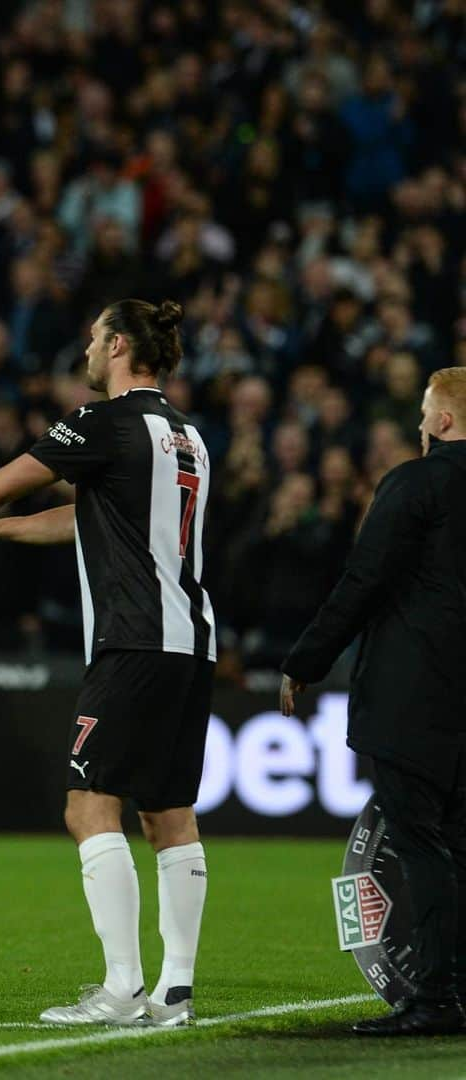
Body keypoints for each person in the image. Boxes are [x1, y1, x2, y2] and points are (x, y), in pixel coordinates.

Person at [0, 298, 216, 1027]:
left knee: (87, 803)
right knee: (169, 812)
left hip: (131, 641)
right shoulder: (187, 436)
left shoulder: (101, 421)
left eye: (92, 336)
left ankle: (120, 988)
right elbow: (84, 519)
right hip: (190, 641)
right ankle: (174, 992)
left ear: (115, 347)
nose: (84, 346)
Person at [281, 367, 466, 1037]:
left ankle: (436, 996)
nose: (420, 425)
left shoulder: (416, 482)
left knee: (420, 841)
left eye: (424, 413)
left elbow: (364, 579)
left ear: (443, 421)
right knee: (457, 843)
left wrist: (306, 660)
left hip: (415, 695)